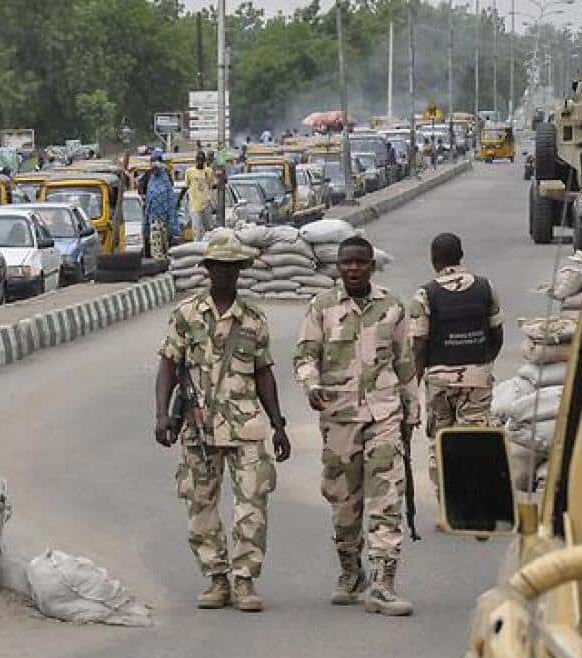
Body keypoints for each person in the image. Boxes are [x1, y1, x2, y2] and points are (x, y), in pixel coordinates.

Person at [155, 229, 290, 612]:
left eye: (232, 268)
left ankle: (244, 580)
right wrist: (162, 414)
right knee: (200, 503)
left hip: (245, 425)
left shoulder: (254, 319)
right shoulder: (186, 315)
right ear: (208, 269)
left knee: (253, 502)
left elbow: (264, 372)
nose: (225, 274)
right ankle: (216, 578)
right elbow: (168, 364)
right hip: (198, 425)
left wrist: (278, 423)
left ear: (240, 271)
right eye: (219, 267)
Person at [294, 235, 419, 617]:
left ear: (370, 265)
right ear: (338, 266)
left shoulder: (392, 307)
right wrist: (311, 383)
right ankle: (351, 572)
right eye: (346, 262)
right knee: (344, 503)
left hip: (384, 416)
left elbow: (405, 363)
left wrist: (412, 411)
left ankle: (384, 582)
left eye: (360, 262)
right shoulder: (322, 307)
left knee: (386, 498)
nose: (352, 268)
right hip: (339, 417)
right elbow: (305, 354)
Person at [408, 233, 503, 507]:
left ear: (433, 259)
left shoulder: (426, 294)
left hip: (439, 381)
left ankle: (447, 504)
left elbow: (419, 346)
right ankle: (472, 502)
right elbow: (496, 333)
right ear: (461, 255)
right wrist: (482, 363)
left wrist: (413, 386)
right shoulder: (486, 287)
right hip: (478, 377)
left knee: (441, 438)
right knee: (473, 438)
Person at [142, 150, 177, 260]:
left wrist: (172, 220)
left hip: (165, 218)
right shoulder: (150, 180)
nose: (154, 171)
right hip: (154, 217)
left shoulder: (166, 181)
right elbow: (148, 200)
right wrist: (146, 220)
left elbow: (171, 200)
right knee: (156, 247)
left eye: (156, 168)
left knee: (166, 245)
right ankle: (158, 262)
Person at [183, 152, 215, 238]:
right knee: (197, 231)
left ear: (204, 161)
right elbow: (185, 187)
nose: (200, 162)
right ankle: (198, 246)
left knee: (209, 229)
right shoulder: (189, 172)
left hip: (206, 205)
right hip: (194, 206)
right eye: (198, 160)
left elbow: (212, 186)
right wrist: (178, 201)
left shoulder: (209, 171)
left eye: (202, 160)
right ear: (195, 160)